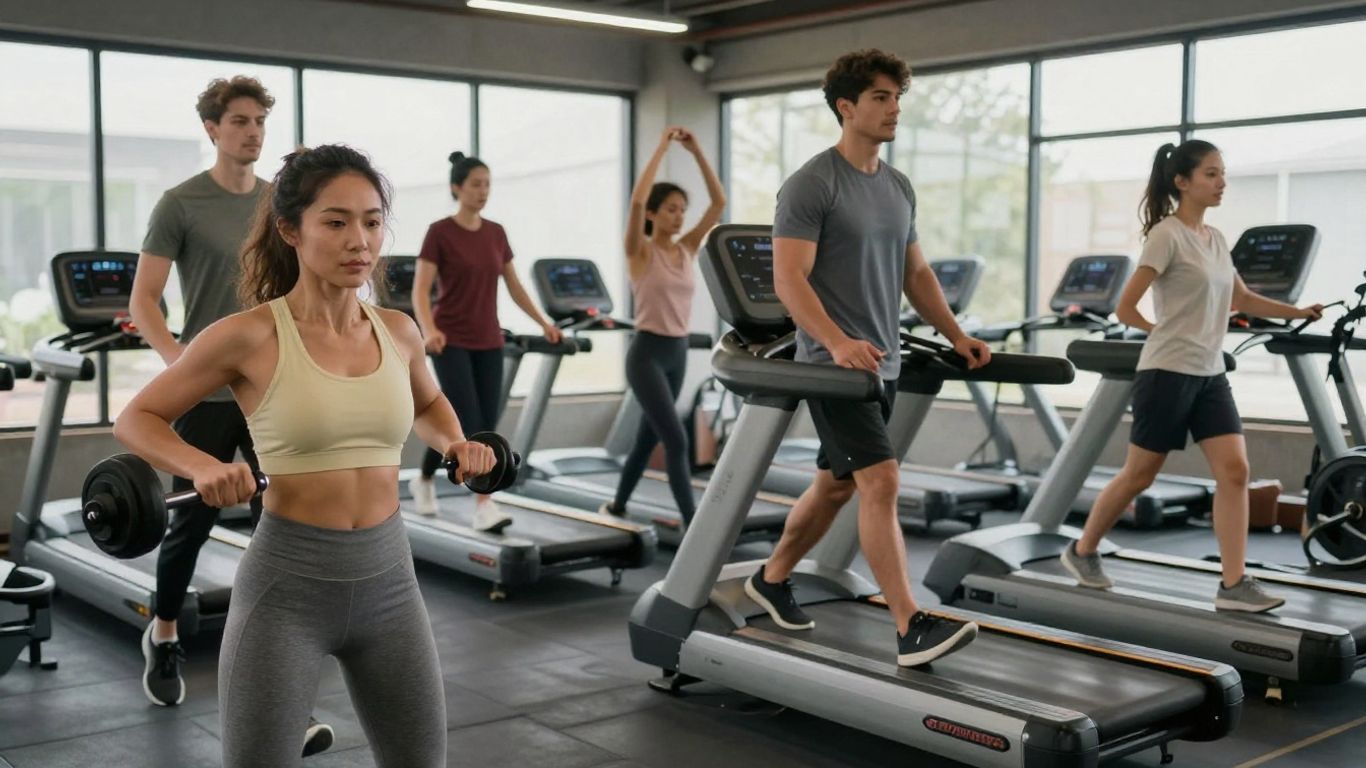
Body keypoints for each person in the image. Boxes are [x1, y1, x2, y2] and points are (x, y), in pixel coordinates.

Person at [115, 144, 493, 768]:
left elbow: (427, 403)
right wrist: (203, 466)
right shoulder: (248, 335)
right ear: (291, 230)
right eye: (336, 222)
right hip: (286, 590)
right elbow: (136, 417)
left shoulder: (398, 330)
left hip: (391, 582)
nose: (359, 241)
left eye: (372, 221)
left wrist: (454, 442)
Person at [740, 49, 993, 667]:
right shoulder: (812, 183)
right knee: (882, 481)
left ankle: (770, 579)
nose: (894, 109)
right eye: (881, 97)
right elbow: (789, 279)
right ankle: (909, 624)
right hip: (835, 368)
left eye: (898, 98)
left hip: (882, 363)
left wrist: (956, 335)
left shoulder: (897, 186)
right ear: (846, 107)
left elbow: (917, 273)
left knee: (834, 488)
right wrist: (835, 341)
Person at [126, 75, 333, 752]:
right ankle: (163, 634)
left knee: (289, 516)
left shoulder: (280, 203)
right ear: (212, 129)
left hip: (271, 384)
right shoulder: (180, 203)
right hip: (210, 391)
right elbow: (145, 301)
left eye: (259, 122)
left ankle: (287, 677)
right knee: (190, 525)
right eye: (239, 121)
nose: (252, 132)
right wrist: (181, 365)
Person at [1061, 139, 1324, 612]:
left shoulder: (1216, 238)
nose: (1221, 182)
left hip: (1209, 373)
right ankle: (1082, 551)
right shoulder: (1167, 235)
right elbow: (1126, 307)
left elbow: (1242, 299)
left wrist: (1298, 312)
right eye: (1211, 174)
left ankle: (1233, 584)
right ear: (1182, 182)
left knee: (1235, 472)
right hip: (1167, 371)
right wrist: (1162, 332)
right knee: (1139, 475)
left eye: (1223, 173)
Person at [407, 151, 561, 531]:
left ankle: (423, 479)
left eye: (487, 185)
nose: (483, 191)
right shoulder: (440, 232)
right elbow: (421, 289)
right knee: (471, 421)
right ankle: (484, 504)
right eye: (476, 184)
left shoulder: (496, 233)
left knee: (482, 421)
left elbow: (514, 285)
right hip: (450, 339)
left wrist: (544, 322)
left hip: (488, 339)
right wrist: (429, 330)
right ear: (456, 188)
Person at [597, 126, 725, 525]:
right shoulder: (639, 252)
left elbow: (718, 203)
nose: (679, 215)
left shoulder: (687, 249)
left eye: (682, 209)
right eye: (671, 208)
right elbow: (637, 201)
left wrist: (697, 151)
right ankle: (693, 524)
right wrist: (661, 147)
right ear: (653, 214)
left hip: (677, 352)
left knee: (646, 438)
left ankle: (617, 506)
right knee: (676, 438)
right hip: (647, 355)